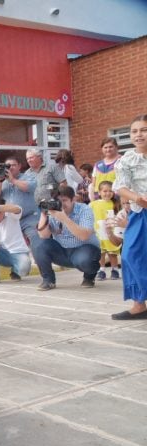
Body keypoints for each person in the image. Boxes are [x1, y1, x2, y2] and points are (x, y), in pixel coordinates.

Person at [112, 114, 147, 320]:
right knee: (130, 255)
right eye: (134, 131)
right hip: (140, 212)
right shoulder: (126, 159)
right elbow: (120, 187)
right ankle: (139, 304)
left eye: (143, 130)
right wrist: (139, 199)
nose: (138, 134)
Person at [35, 185, 100, 291]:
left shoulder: (84, 210)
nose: (60, 204)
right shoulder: (52, 210)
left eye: (64, 200)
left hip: (84, 249)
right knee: (38, 243)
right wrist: (43, 214)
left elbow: (84, 236)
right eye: (58, 200)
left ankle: (89, 276)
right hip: (62, 251)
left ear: (73, 199)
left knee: (85, 260)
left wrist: (64, 219)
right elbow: (44, 236)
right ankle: (48, 280)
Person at [0, 156, 41, 259]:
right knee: (11, 244)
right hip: (10, 219)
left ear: (19, 166)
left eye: (13, 165)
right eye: (8, 166)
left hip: (28, 217)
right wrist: (0, 182)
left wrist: (12, 180)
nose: (11, 168)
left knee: (35, 239)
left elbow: (30, 187)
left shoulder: (28, 176)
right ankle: (17, 266)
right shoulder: (0, 180)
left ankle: (41, 261)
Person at [0, 199, 31, 284]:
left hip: (18, 252)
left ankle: (15, 271)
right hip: (2, 254)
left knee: (24, 270)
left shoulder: (11, 214)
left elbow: (18, 209)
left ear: (4, 210)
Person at [89, 181, 121, 280]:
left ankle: (114, 269)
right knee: (101, 253)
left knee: (112, 253)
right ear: (99, 192)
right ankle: (101, 270)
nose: (107, 193)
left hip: (111, 232)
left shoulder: (115, 204)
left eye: (110, 191)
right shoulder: (93, 204)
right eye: (105, 191)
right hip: (98, 232)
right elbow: (88, 216)